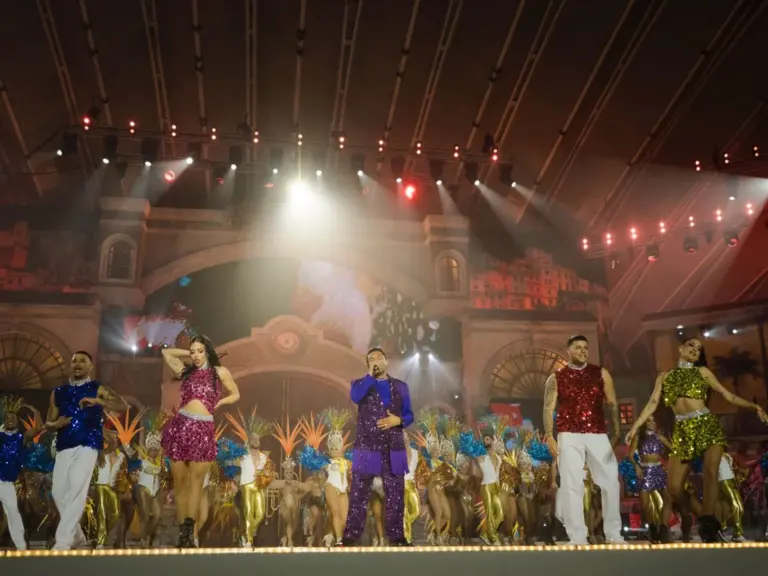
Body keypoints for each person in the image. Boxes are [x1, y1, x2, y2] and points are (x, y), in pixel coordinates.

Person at [626, 335, 768, 542]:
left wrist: (754, 406)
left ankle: (709, 523)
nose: (695, 350)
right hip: (682, 430)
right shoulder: (665, 376)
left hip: (706, 425)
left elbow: (728, 396)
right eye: (691, 345)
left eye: (699, 349)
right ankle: (705, 516)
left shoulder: (703, 372)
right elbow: (652, 403)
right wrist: (635, 426)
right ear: (680, 348)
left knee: (711, 472)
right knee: (674, 488)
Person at [543, 335, 623, 545]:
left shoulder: (601, 373)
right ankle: (577, 536)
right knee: (571, 483)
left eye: (585, 348)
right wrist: (549, 436)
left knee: (611, 481)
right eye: (578, 347)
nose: (583, 351)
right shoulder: (556, 377)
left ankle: (614, 533)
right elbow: (548, 408)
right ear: (568, 350)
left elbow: (613, 403)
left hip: (597, 432)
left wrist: (616, 431)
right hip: (568, 434)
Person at [161, 335, 240, 548]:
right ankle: (182, 535)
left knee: (196, 484)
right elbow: (166, 353)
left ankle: (189, 532)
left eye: (200, 351)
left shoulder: (219, 373)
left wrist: (219, 403)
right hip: (180, 427)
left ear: (208, 351)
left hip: (203, 429)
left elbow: (235, 393)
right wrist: (190, 353)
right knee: (180, 485)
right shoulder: (186, 372)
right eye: (193, 351)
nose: (195, 355)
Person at [46, 350, 127, 550]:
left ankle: (63, 541)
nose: (77, 364)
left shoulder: (97, 388)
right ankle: (78, 537)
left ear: (90, 366)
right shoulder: (58, 392)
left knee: (77, 489)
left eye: (82, 361)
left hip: (89, 444)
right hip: (65, 444)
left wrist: (98, 401)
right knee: (58, 492)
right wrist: (55, 424)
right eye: (74, 361)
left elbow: (122, 405)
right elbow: (48, 421)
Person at [340, 347, 414, 546]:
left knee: (396, 493)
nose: (376, 360)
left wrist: (397, 420)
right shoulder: (360, 384)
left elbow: (409, 415)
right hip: (367, 446)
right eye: (371, 358)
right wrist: (370, 377)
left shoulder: (400, 386)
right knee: (359, 492)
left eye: (379, 357)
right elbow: (356, 397)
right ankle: (350, 536)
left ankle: (397, 537)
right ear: (368, 364)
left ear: (386, 362)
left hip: (394, 447)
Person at [0, 396, 48, 550]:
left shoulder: (21, 437)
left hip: (6, 483)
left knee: (13, 512)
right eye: (7, 418)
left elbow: (39, 428)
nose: (10, 421)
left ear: (17, 422)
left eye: (13, 418)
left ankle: (20, 545)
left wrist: (37, 413)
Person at [630, 415, 672, 543]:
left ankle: (664, 530)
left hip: (659, 470)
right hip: (645, 471)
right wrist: (636, 467)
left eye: (654, 421)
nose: (652, 423)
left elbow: (675, 450)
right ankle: (653, 529)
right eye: (649, 421)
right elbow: (631, 455)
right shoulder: (639, 438)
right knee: (646, 504)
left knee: (668, 499)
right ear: (644, 423)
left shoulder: (660, 437)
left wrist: (670, 466)